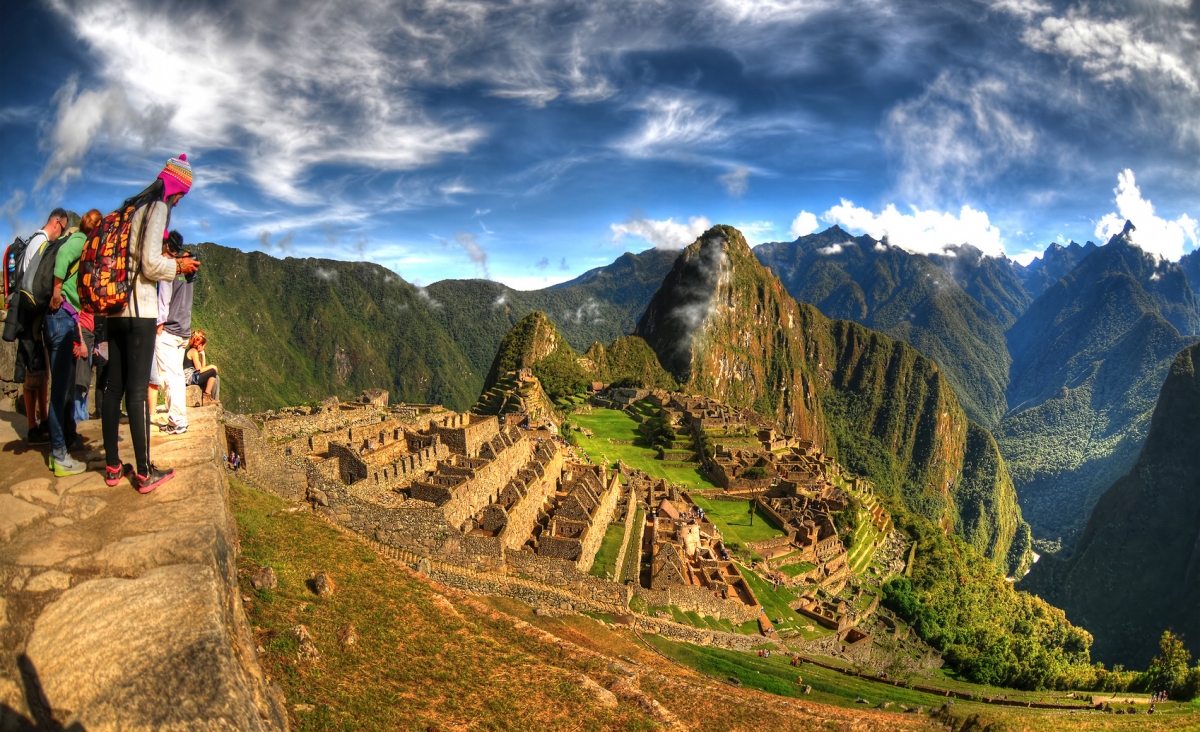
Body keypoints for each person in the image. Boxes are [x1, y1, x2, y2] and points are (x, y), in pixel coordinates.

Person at [100, 154, 201, 493]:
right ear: (176, 189)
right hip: (139, 310)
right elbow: (149, 264)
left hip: (113, 309)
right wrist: (179, 268)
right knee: (138, 390)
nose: (178, 201)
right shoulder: (157, 209)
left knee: (114, 388)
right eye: (181, 195)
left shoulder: (129, 210)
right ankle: (144, 472)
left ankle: (113, 465)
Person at [43, 209, 102, 475]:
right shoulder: (79, 241)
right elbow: (64, 258)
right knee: (60, 392)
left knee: (63, 388)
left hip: (65, 318)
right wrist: (57, 291)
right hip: (60, 319)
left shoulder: (81, 241)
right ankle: (59, 455)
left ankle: (63, 442)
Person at [15, 209, 70, 444]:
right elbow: (32, 281)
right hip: (30, 315)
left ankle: (44, 420)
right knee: (33, 372)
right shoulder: (40, 242)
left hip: (35, 316)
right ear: (57, 223)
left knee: (41, 372)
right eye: (63, 228)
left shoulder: (38, 241)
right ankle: (32, 427)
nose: (62, 233)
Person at [155, 231, 195, 435]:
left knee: (170, 377)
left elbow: (164, 298)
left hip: (169, 330)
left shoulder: (168, 268)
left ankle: (177, 421)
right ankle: (179, 419)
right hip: (184, 331)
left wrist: (158, 324)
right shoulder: (189, 268)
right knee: (177, 376)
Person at [184, 329, 219, 405]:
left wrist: (203, 355)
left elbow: (202, 369)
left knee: (215, 376)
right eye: (203, 346)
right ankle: (206, 397)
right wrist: (212, 367)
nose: (204, 348)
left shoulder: (190, 350)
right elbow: (199, 370)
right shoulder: (194, 352)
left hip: (191, 377)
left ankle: (211, 398)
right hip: (189, 379)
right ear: (200, 345)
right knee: (213, 371)